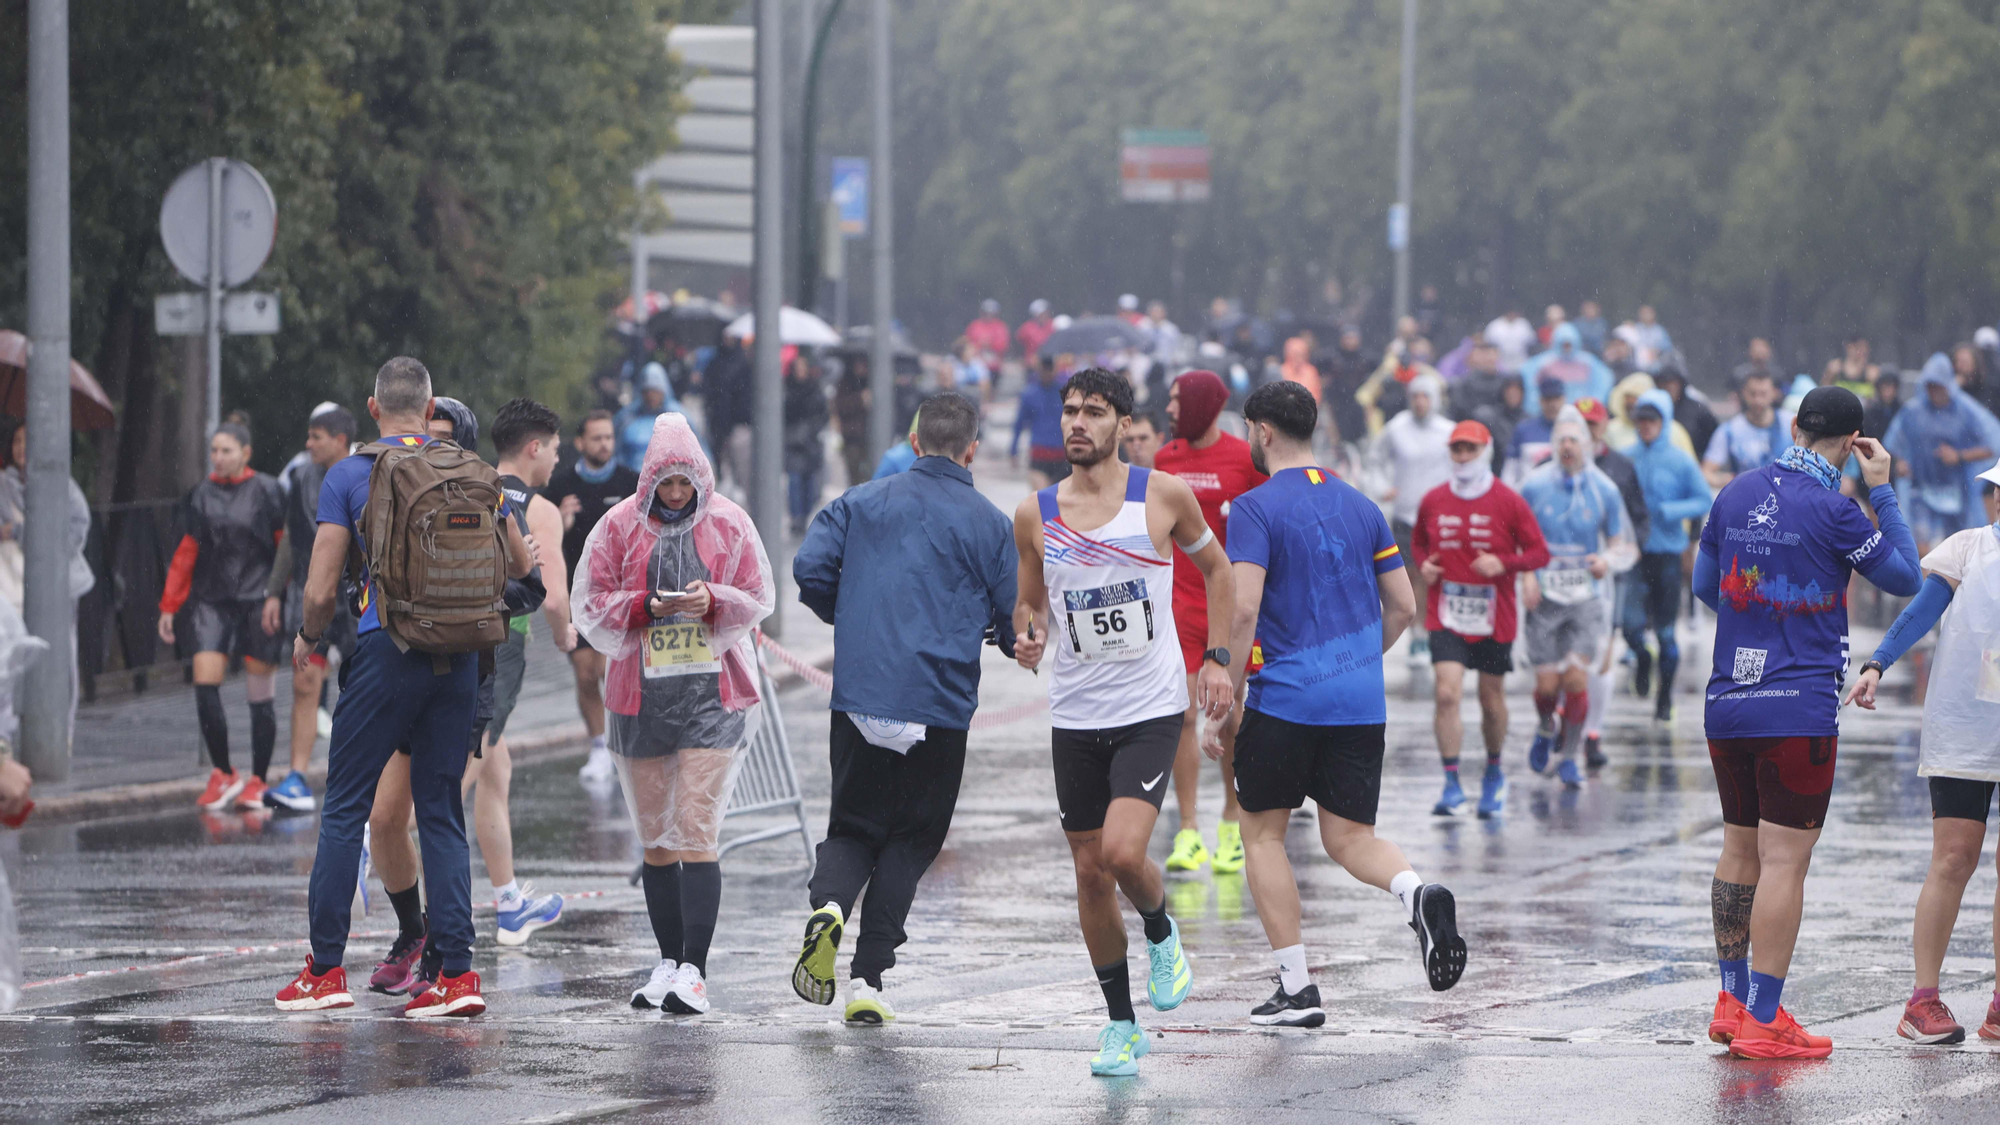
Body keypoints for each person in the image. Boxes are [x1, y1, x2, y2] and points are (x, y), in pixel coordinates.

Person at [277, 357, 535, 1017]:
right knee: (442, 812)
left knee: (343, 810)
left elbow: (319, 586)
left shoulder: (350, 473)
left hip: (386, 650)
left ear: (372, 408)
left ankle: (325, 969)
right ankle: (455, 975)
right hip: (460, 658)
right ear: (428, 409)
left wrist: (308, 637)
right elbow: (524, 567)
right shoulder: (476, 473)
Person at [1217, 379, 1466, 1029]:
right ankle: (1417, 892)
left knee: (1264, 834)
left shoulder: (1254, 507)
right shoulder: (1362, 506)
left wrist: (1227, 691)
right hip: (1360, 701)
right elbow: (1405, 605)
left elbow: (1243, 606)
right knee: (1351, 837)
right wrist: (1355, 664)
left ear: (1263, 432)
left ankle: (1297, 989)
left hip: (1287, 699)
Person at [1009, 367, 1234, 1076]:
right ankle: (1121, 1024)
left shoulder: (1160, 496)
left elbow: (1221, 572)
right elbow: (1030, 603)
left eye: (1094, 412)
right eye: (1071, 410)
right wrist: (1028, 632)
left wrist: (1219, 659)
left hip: (1149, 705)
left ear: (1121, 424)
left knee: (1122, 852)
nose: (1078, 422)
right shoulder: (1034, 512)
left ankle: (1163, 932)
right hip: (1075, 712)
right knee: (1087, 872)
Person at [1695, 386, 1920, 1059]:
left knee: (1738, 851)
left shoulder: (1734, 493)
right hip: (1798, 709)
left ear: (1794, 426)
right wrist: (1883, 491)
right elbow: (1905, 576)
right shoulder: (1837, 510)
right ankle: (1766, 1017)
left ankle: (1731, 1000)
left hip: (1728, 698)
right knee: (1785, 860)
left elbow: (1707, 585)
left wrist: (1756, 611)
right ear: (1855, 442)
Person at [791, 393, 1017, 1025]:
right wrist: (998, 632)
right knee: (913, 841)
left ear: (914, 443)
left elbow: (809, 568)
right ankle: (868, 980)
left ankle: (829, 907)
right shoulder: (991, 523)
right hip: (939, 706)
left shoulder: (860, 501)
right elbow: (1011, 613)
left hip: (862, 696)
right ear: (971, 448)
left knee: (853, 828)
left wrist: (851, 612)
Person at [574, 412, 774, 1015]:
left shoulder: (731, 524)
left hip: (712, 697)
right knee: (656, 841)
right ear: (650, 479)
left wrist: (711, 599)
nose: (678, 494)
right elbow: (593, 601)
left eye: (687, 483)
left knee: (695, 830)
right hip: (641, 697)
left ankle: (697, 971)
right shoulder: (615, 528)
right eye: (668, 483)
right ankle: (667, 961)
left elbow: (756, 596)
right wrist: (643, 607)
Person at [1847, 471, 2000, 1044]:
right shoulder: (1968, 548)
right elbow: (1920, 612)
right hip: (1965, 725)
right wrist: (1877, 663)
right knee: (1955, 858)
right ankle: (1923, 1000)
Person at [1153, 371, 1266, 874]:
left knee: (1232, 715)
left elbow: (1267, 523)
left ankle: (1231, 820)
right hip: (1179, 606)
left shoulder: (1244, 461)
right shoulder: (1166, 459)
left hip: (1231, 608)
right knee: (1183, 714)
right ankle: (1188, 830)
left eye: (1179, 400)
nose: (1172, 408)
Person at [469, 400, 574, 942]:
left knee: (495, 767)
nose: (557, 460)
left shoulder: (472, 483)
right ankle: (378, 838)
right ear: (534, 447)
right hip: (502, 644)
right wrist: (566, 636)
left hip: (458, 633)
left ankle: (509, 901)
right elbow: (553, 598)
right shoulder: (539, 509)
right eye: (554, 449)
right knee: (463, 766)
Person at [1411, 419, 1548, 817]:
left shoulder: (1509, 500)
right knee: (1447, 693)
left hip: (1494, 615)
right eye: (1457, 449)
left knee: (1491, 700)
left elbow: (1539, 553)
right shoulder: (1434, 499)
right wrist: (1426, 567)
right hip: (1446, 611)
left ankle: (1493, 771)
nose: (1464, 456)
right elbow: (1419, 544)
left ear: (1486, 451)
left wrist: (1503, 563)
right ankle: (1451, 782)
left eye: (1471, 449)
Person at [157, 423, 287, 811]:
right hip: (212, 599)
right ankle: (224, 772)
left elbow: (285, 549)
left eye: (226, 450)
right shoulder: (201, 495)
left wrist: (279, 596)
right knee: (204, 682)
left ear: (246, 453)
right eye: (214, 450)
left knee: (259, 694)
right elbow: (186, 552)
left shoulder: (267, 490)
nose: (218, 457)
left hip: (257, 598)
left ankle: (259, 779)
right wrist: (169, 605)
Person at [1518, 407, 1635, 788]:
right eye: (1561, 440)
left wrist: (1606, 560)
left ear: (1588, 444)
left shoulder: (1604, 490)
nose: (1567, 446)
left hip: (1586, 597)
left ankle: (1570, 757)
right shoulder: (1533, 486)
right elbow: (1517, 539)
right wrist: (1527, 578)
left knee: (1575, 680)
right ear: (1553, 445)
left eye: (1574, 440)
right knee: (1548, 687)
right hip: (1545, 595)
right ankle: (1545, 725)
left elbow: (1623, 545)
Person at [259, 406, 359, 811]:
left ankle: (358, 777)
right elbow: (290, 541)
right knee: (304, 682)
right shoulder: (301, 477)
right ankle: (297, 776)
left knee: (359, 691)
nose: (308, 443)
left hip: (356, 601)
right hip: (311, 593)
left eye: (316, 436)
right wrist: (273, 592)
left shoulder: (367, 475)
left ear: (339, 439)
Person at [547, 410, 641, 782]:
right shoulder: (561, 485)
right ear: (581, 443)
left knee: (613, 671)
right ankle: (600, 747)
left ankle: (627, 744)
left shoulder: (630, 483)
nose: (604, 444)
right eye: (596, 438)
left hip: (621, 595)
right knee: (587, 674)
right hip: (578, 595)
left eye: (609, 438)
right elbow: (543, 540)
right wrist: (561, 521)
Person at [0, 418, 95, 756]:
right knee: (13, 655)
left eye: (29, 441)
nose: (22, 449)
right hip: (13, 586)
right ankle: (9, 734)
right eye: (17, 442)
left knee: (61, 657)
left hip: (60, 587)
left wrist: (24, 535)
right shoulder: (4, 485)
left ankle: (61, 732)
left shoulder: (63, 486)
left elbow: (76, 530)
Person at [1620, 391, 1711, 722]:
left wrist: (1670, 511)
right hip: (1633, 555)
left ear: (1664, 423)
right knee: (1629, 625)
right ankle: (1642, 658)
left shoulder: (1680, 460)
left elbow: (1703, 499)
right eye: (1641, 421)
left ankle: (1664, 698)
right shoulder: (1625, 457)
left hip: (1668, 555)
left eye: (1652, 421)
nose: (1645, 427)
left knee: (1667, 632)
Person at [1579, 396, 1650, 755]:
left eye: (1592, 424)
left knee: (1604, 645)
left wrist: (1622, 554)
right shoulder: (1547, 468)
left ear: (1604, 426)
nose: (1585, 431)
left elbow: (1638, 517)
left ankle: (1593, 732)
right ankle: (1566, 717)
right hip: (1565, 574)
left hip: (1610, 572)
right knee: (1568, 652)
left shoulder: (1621, 467)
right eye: (1578, 423)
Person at [1371, 374, 1454, 658]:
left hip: (1439, 517)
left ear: (1435, 399)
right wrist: (1383, 487)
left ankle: (1432, 626)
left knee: (1432, 574)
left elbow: (1465, 463)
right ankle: (1417, 631)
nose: (1420, 402)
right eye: (1415, 396)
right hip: (1406, 514)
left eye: (1426, 396)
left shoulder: (1448, 431)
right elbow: (1375, 459)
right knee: (1409, 574)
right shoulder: (1397, 429)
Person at [1884, 354, 1996, 555]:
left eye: (1938, 385)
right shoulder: (1913, 411)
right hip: (1921, 492)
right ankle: (1924, 585)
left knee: (1955, 552)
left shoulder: (1966, 411)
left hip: (1956, 494)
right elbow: (1894, 442)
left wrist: (1959, 456)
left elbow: (1992, 445)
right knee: (1921, 548)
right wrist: (1900, 462)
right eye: (1930, 385)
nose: (1933, 391)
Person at [1703, 371, 1793, 489]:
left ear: (1774, 393)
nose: (1757, 400)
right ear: (1743, 394)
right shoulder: (1729, 431)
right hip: (1746, 499)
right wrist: (1726, 480)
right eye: (1753, 394)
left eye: (1763, 394)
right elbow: (1705, 473)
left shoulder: (1791, 423)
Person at [784, 352, 830, 535]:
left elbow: (822, 415)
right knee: (795, 482)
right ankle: (797, 518)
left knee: (811, 484)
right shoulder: (787, 390)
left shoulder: (815, 390)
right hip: (794, 443)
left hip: (811, 443)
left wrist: (812, 429)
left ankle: (804, 514)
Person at [1519, 323, 1614, 406]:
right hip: (1552, 411)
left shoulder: (1586, 362)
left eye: (1569, 345)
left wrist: (1594, 403)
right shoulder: (1545, 362)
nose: (1567, 349)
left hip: (1582, 411)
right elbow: (1528, 377)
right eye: (1564, 345)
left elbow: (1604, 379)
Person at [1013, 358, 1070, 488]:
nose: (1047, 374)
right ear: (1039, 370)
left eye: (1050, 370)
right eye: (1045, 370)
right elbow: (1019, 424)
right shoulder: (1029, 394)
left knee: (1060, 500)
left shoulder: (1065, 393)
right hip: (1040, 453)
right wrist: (1013, 449)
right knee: (1041, 499)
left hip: (1062, 454)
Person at [1506, 374, 1567, 481]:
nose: (1553, 404)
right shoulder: (1524, 430)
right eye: (1548, 399)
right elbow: (1510, 471)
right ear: (1540, 401)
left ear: (1564, 399)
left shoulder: (1572, 431)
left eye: (1556, 398)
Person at [1321, 326, 1372, 447]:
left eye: (1353, 338)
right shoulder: (1332, 357)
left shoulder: (1365, 358)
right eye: (1347, 338)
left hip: (1358, 405)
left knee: (1359, 440)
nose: (1350, 341)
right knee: (1337, 441)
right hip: (1337, 404)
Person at [1655, 365, 1718, 462]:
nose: (1669, 387)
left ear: (1681, 384)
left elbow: (1715, 438)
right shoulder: (1653, 410)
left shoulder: (1698, 410)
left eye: (1673, 383)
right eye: (1664, 383)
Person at [1617, 305, 1673, 373]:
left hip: (1657, 366)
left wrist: (1657, 352)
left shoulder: (1659, 331)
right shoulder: (1635, 328)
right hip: (1637, 365)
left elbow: (1667, 348)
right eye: (1643, 313)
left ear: (1653, 314)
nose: (1646, 315)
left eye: (1648, 313)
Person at [1483, 307, 1536, 376]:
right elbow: (1487, 346)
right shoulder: (1494, 326)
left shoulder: (1524, 324)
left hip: (1521, 363)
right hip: (1500, 365)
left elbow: (1532, 343)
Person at [965, 298, 1010, 369]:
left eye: (991, 313)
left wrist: (990, 345)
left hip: (994, 365)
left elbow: (1003, 345)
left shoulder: (1000, 327)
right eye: (986, 313)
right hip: (976, 363)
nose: (988, 315)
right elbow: (968, 342)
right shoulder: (975, 325)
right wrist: (980, 345)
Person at [1862, 370, 1902, 442]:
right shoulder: (1870, 412)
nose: (1888, 390)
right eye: (1885, 386)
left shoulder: (1901, 411)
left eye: (1891, 386)